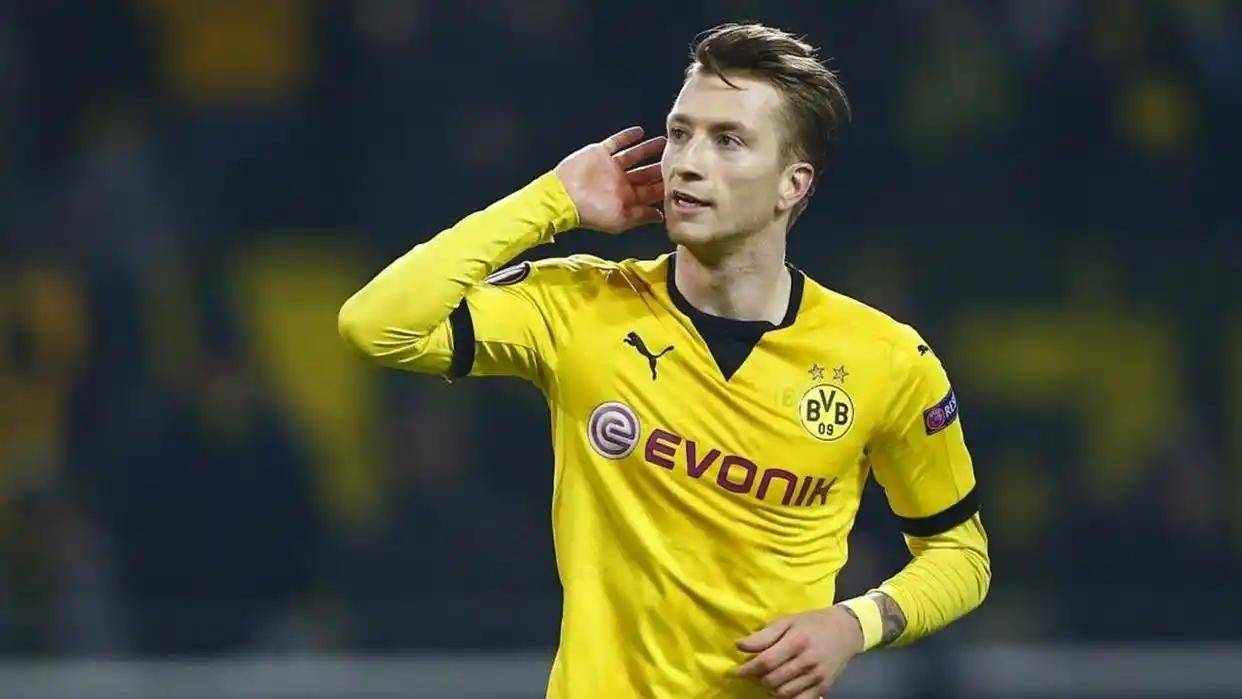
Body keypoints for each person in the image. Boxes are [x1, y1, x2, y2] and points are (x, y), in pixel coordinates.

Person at [339, 22, 990, 699]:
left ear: (792, 184)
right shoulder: (580, 308)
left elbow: (960, 554)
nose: (688, 162)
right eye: (680, 134)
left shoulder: (886, 360)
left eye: (728, 140)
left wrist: (854, 623)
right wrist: (551, 201)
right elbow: (377, 326)